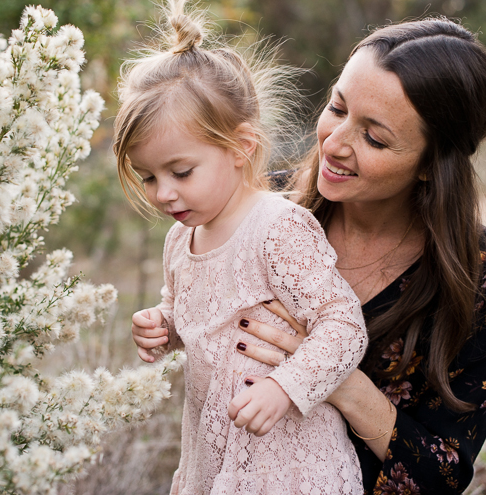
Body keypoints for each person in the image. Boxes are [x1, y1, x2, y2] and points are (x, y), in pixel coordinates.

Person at [233, 18, 486, 494]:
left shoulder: (482, 272)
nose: (334, 143)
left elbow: (444, 476)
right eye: (337, 107)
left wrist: (334, 377)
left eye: (375, 138)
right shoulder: (262, 207)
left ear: (430, 165)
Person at [113, 1, 369, 493]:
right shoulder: (180, 239)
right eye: (148, 177)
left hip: (288, 461)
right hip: (217, 452)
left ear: (240, 147)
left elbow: (343, 326)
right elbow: (198, 316)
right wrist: (163, 325)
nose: (163, 193)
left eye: (180, 172)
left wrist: (285, 387)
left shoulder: (277, 228)